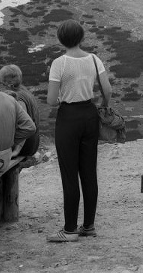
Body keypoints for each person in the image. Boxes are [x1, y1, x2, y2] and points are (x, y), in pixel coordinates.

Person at [46, 19, 112, 242]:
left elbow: (51, 101)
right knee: (89, 171)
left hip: (68, 117)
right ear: (82, 37)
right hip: (90, 114)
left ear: (60, 39)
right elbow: (108, 90)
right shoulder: (94, 59)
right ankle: (89, 226)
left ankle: (69, 229)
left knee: (69, 173)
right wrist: (102, 107)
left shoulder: (59, 63)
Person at [0, 64, 41, 159]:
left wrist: (17, 151)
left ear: (9, 84)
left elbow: (24, 126)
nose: (3, 86)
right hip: (34, 142)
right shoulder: (24, 91)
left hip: (26, 146)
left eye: (3, 83)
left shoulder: (18, 99)